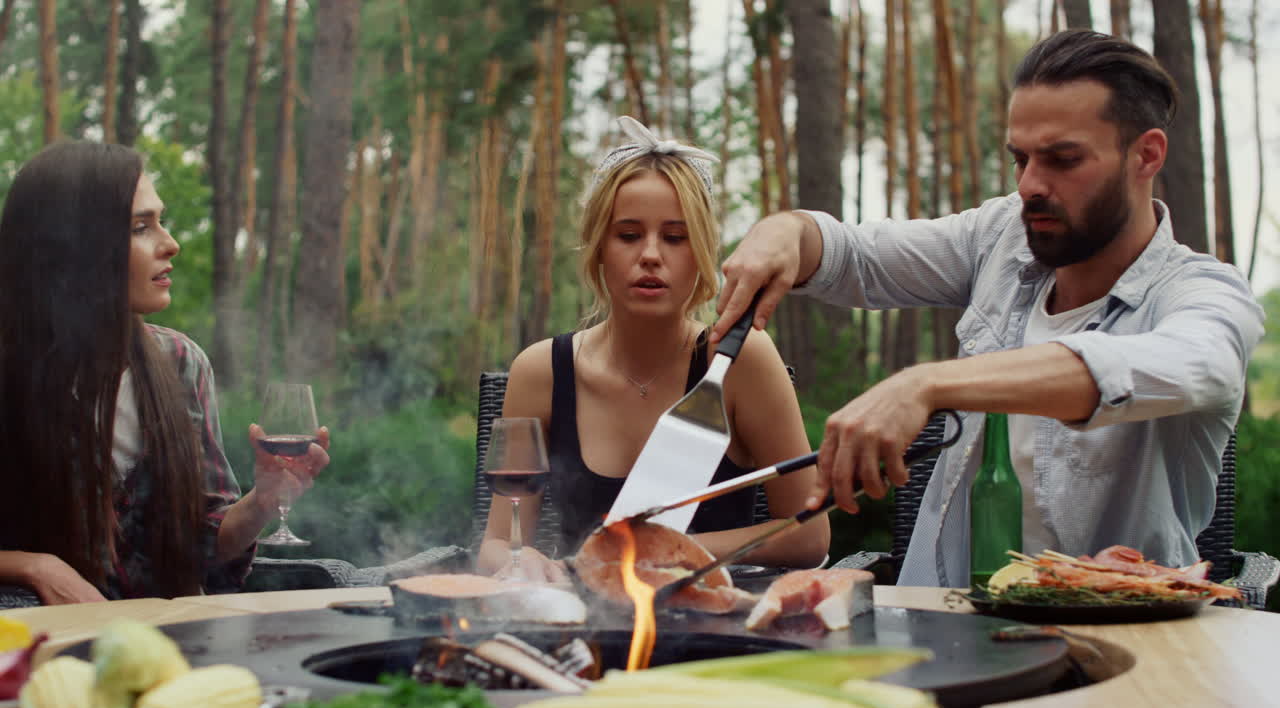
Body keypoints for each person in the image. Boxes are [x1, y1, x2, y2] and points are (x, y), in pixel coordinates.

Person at [711, 30, 1264, 587]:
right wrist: (787, 231)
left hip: (1115, 647)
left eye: (1062, 159)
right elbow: (854, 257)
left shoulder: (1203, 293)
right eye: (1020, 159)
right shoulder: (1000, 238)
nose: (1029, 185)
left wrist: (926, 384)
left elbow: (1174, 365)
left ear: (1146, 155)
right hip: (940, 628)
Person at [478, 117, 830, 582]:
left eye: (674, 237)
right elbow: (498, 543)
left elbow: (809, 535)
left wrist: (665, 549)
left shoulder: (739, 361)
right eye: (627, 235)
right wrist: (523, 565)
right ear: (599, 247)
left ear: (702, 250)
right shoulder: (541, 371)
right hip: (587, 629)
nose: (650, 254)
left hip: (711, 632)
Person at [0, 141, 330, 604]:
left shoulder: (181, 362)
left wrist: (262, 500)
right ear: (72, 246)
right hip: (38, 659)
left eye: (160, 221)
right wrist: (33, 565)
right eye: (140, 227)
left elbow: (203, 546)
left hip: (168, 650)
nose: (170, 244)